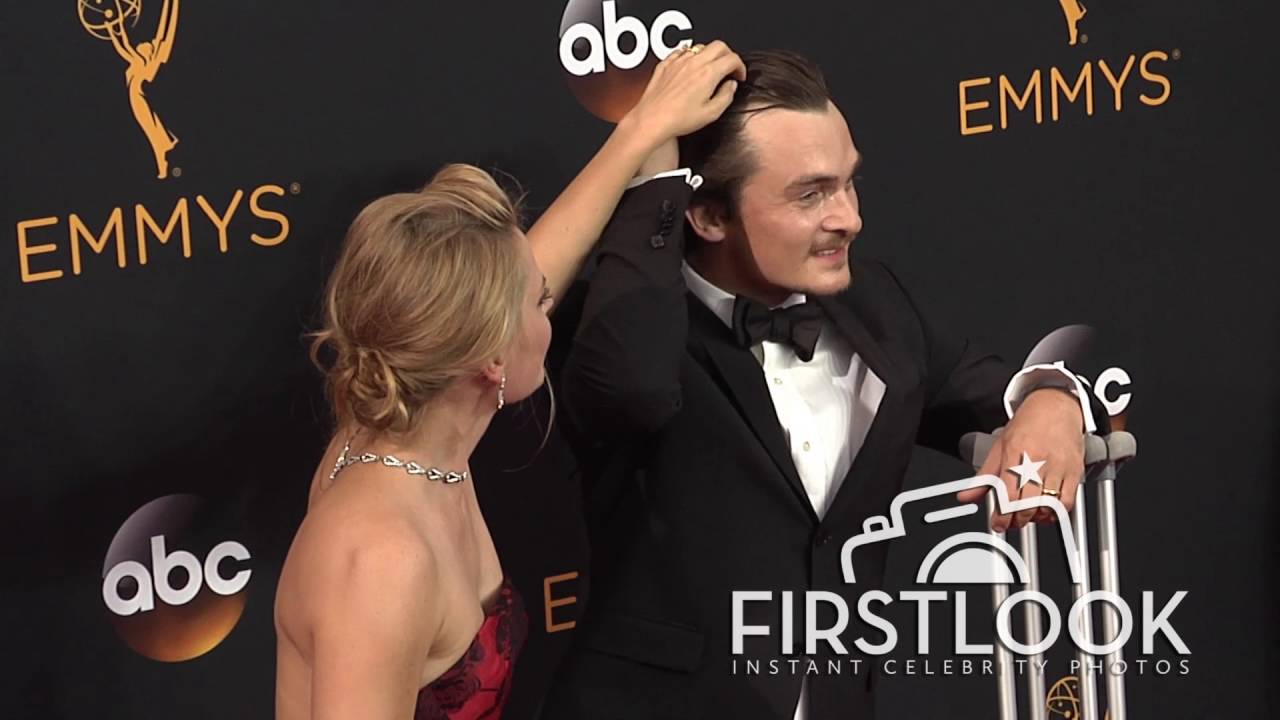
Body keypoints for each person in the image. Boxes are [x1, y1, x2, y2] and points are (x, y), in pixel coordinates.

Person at [543, 49, 1105, 719]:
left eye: (848, 183)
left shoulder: (878, 305)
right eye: (810, 194)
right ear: (709, 215)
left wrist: (1053, 401)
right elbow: (630, 390)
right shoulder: (624, 323)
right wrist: (654, 165)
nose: (849, 218)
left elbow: (1015, 387)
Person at [272, 43, 747, 720]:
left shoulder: (412, 428)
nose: (550, 305)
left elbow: (521, 273)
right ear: (490, 360)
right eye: (540, 303)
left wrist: (642, 130)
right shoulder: (383, 560)